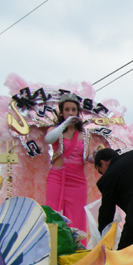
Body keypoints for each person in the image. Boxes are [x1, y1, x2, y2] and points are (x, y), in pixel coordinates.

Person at [44, 94, 99, 232]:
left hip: (77, 180)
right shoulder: (55, 130)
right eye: (67, 109)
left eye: (73, 110)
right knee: (53, 212)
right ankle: (55, 242)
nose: (70, 112)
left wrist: (96, 156)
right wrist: (65, 124)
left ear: (78, 112)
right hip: (57, 177)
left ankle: (77, 243)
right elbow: (48, 139)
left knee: (77, 215)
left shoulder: (85, 134)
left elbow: (89, 158)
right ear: (61, 112)